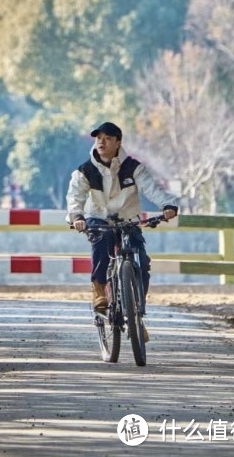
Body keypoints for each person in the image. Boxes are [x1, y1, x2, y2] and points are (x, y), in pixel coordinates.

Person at [66, 121, 179, 329]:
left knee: (142, 262)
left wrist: (167, 204)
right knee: (102, 243)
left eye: (108, 138)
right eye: (99, 138)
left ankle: (137, 310)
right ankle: (100, 290)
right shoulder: (85, 170)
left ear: (118, 142)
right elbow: (75, 196)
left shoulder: (133, 168)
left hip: (128, 220)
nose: (102, 142)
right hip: (98, 219)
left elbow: (152, 189)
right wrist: (77, 217)